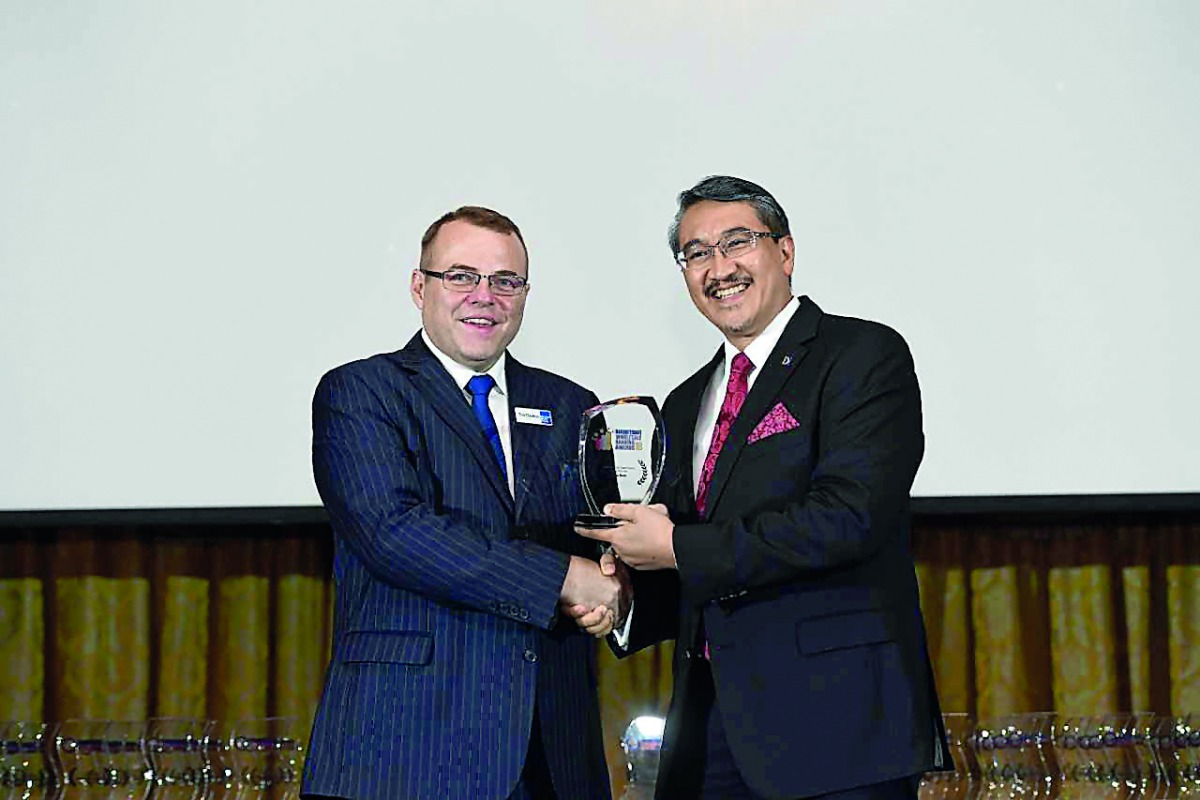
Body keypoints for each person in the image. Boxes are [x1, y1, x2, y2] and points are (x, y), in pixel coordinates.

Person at [574, 176, 950, 799]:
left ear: (785, 251)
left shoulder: (861, 354)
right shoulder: (686, 400)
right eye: (697, 253)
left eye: (737, 242)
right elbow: (698, 559)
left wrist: (676, 548)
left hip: (838, 726)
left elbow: (849, 516)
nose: (719, 268)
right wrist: (625, 597)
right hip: (712, 728)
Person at [302, 206, 621, 800]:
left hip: (552, 753)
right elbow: (394, 533)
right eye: (461, 276)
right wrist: (564, 580)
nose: (485, 296)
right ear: (419, 287)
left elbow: (598, 540)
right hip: (404, 751)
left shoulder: (572, 404)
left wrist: (612, 587)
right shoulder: (362, 391)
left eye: (506, 281)